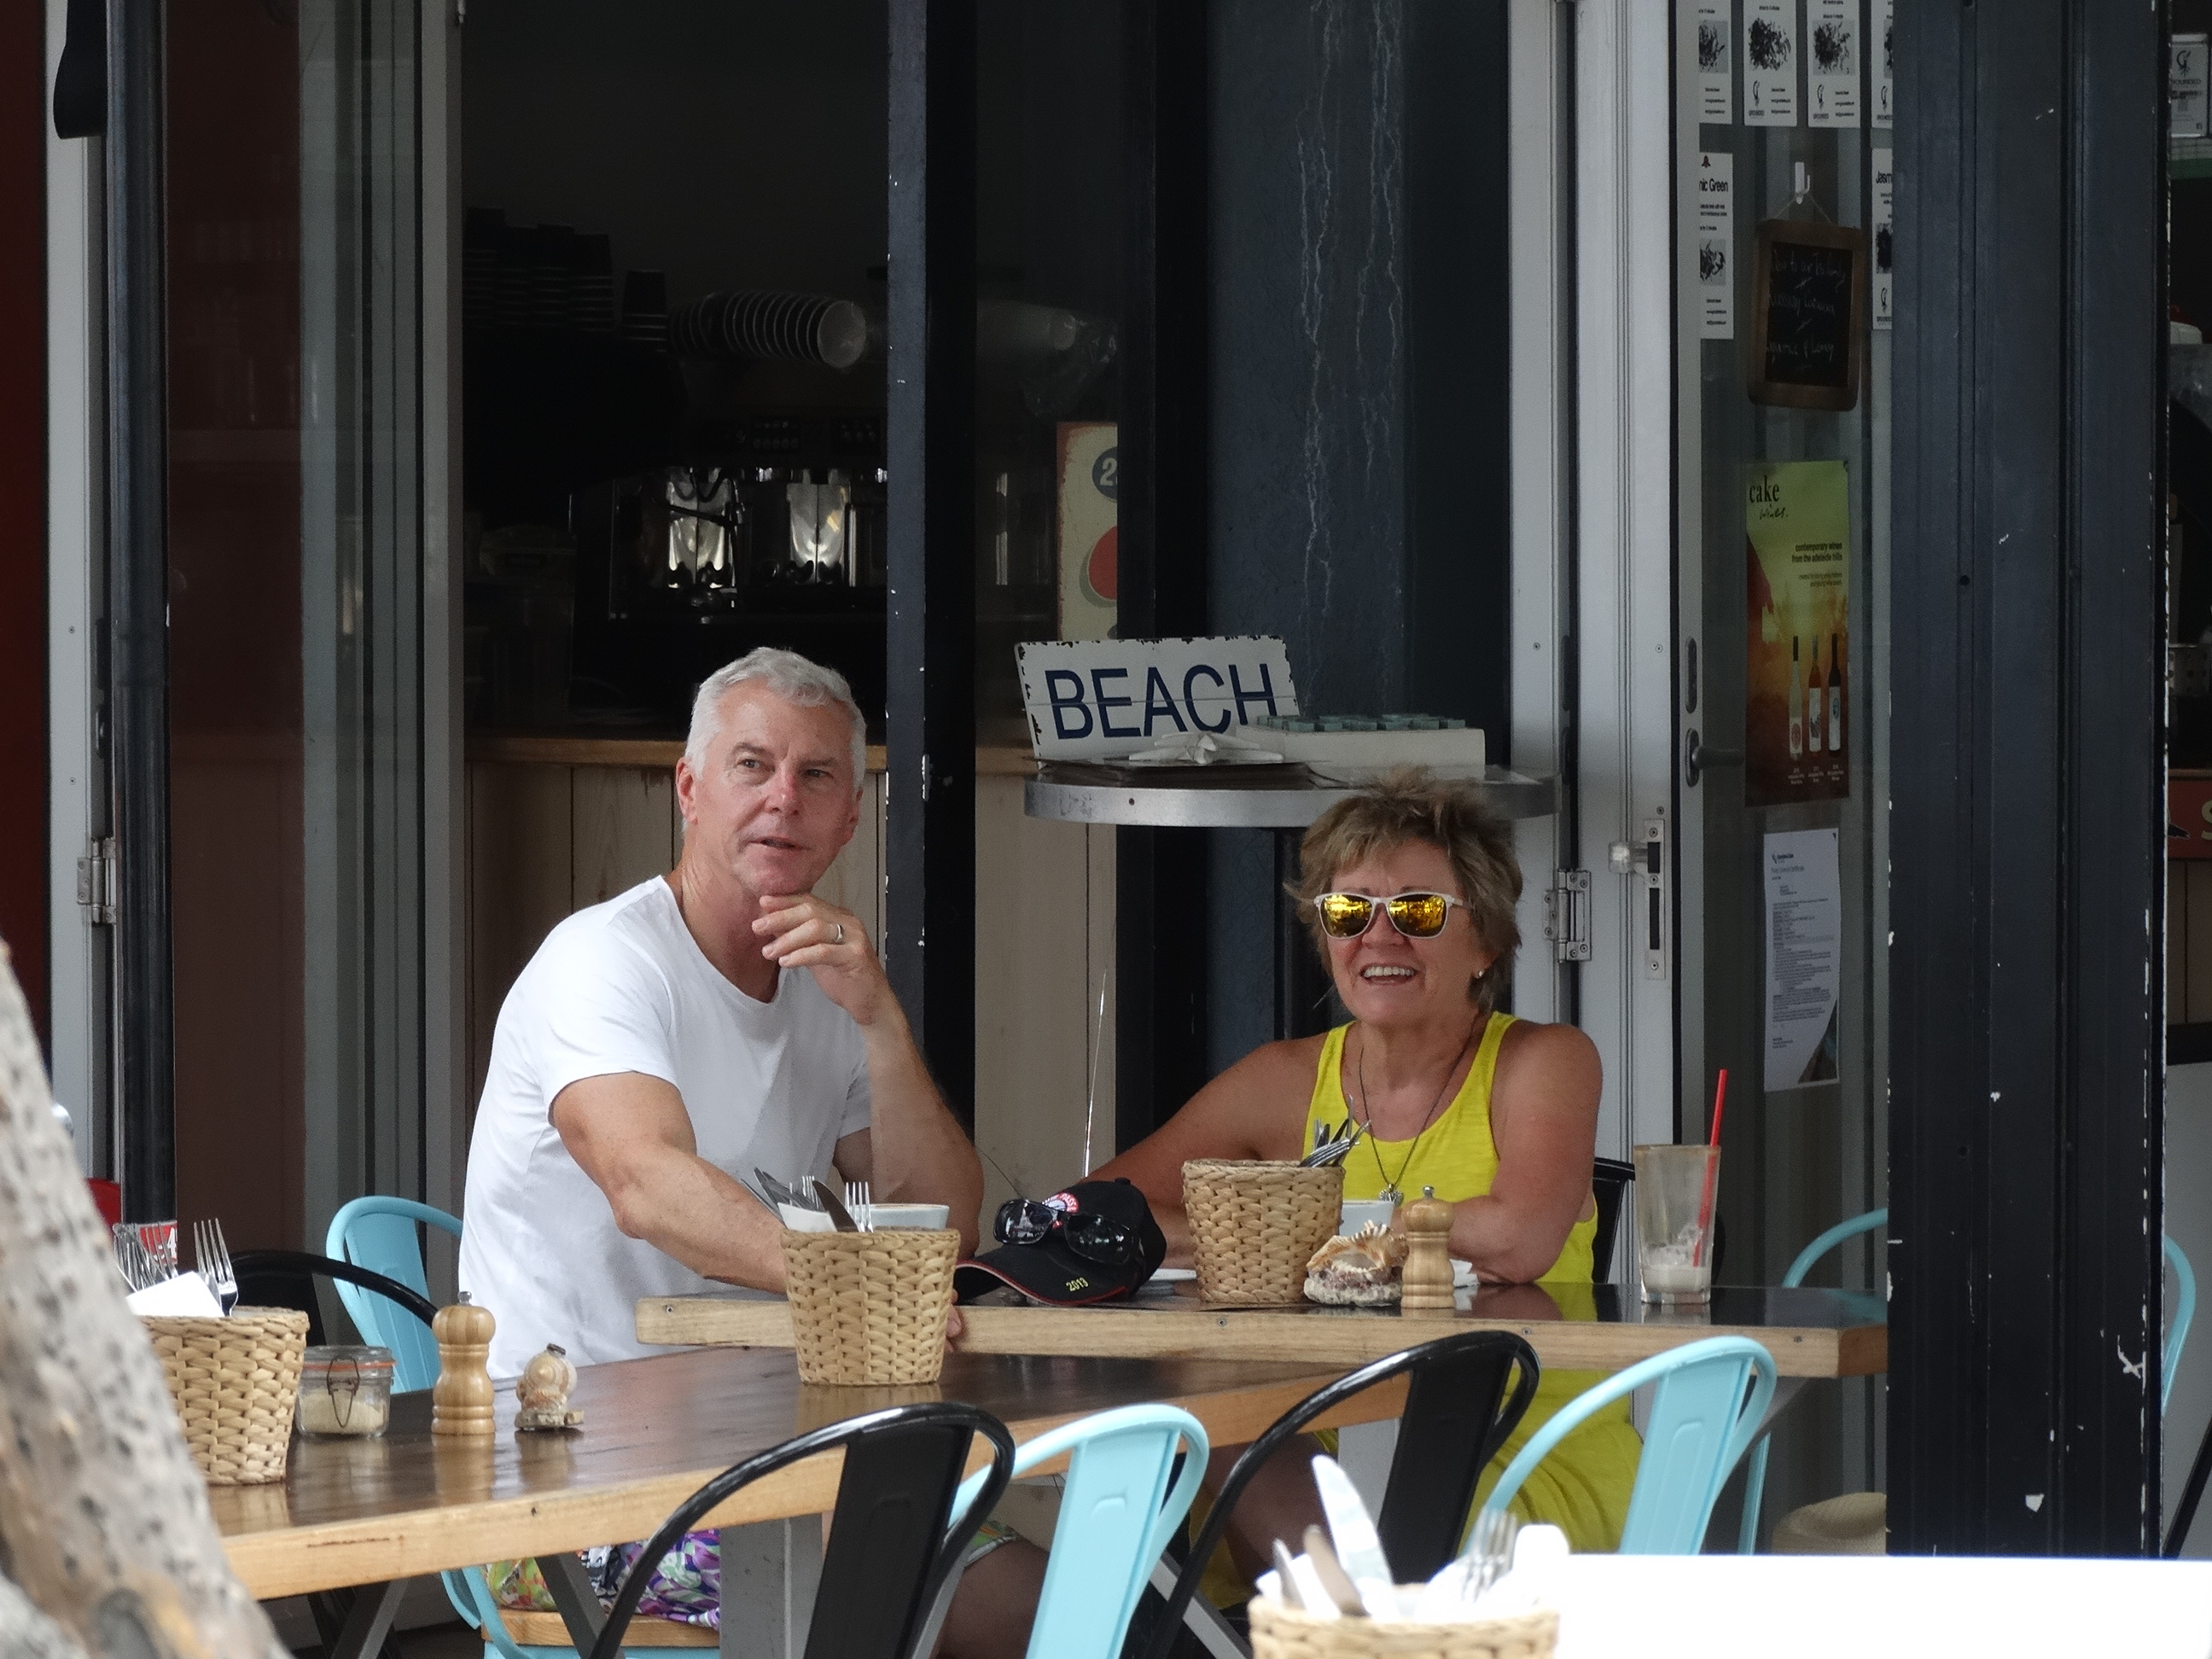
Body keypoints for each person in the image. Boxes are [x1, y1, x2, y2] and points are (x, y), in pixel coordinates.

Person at [458, 648, 1032, 1658]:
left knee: (1057, 1603)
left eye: (817, 775)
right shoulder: (602, 960)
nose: (783, 799)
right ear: (689, 788)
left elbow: (942, 1225)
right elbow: (646, 1184)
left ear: (849, 817)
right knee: (908, 1598)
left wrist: (881, 1022)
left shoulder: (827, 983)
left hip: (774, 1458)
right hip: (570, 1490)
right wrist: (852, 1285)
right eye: (752, 766)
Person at [1091, 767, 1640, 1583]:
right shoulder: (1283, 1079)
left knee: (1216, 1414)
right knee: (1197, 1409)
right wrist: (1302, 1244)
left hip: (1513, 1462)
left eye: (1418, 911)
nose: (1379, 938)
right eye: (1349, 911)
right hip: (1322, 1444)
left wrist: (1287, 1236)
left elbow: (1520, 1237)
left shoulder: (1542, 1060)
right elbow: (1098, 1213)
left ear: (1486, 941)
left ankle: (1347, 1624)